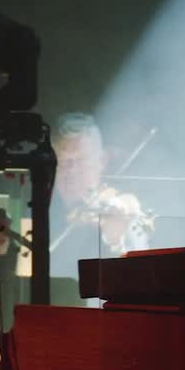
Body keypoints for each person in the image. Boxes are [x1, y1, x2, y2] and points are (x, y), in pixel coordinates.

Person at [49, 112, 152, 278]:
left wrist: (116, 238)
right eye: (63, 161)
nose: (72, 171)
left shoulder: (121, 205)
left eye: (81, 160)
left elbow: (142, 271)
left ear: (102, 161)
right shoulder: (41, 206)